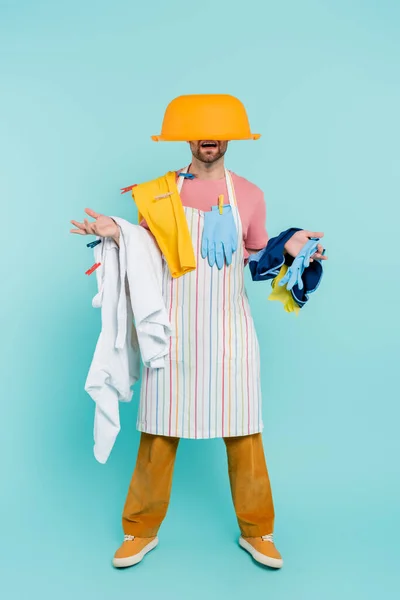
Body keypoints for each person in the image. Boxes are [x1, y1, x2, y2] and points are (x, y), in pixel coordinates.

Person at [70, 95, 327, 570]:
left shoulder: (250, 194)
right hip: (174, 331)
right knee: (158, 434)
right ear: (187, 139)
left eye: (217, 131)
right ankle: (139, 530)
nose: (208, 139)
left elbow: (257, 260)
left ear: (229, 139)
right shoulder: (156, 194)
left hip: (230, 333)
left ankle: (258, 531)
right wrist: (118, 232)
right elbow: (145, 257)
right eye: (199, 132)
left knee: (245, 435)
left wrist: (290, 249)